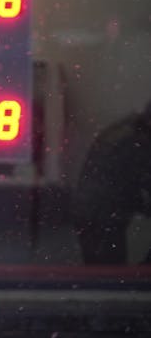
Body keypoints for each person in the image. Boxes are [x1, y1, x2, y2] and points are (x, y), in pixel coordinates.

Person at [72, 100, 151, 264]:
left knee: (107, 275)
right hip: (100, 216)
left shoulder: (127, 132)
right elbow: (140, 180)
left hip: (94, 213)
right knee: (108, 275)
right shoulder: (136, 142)